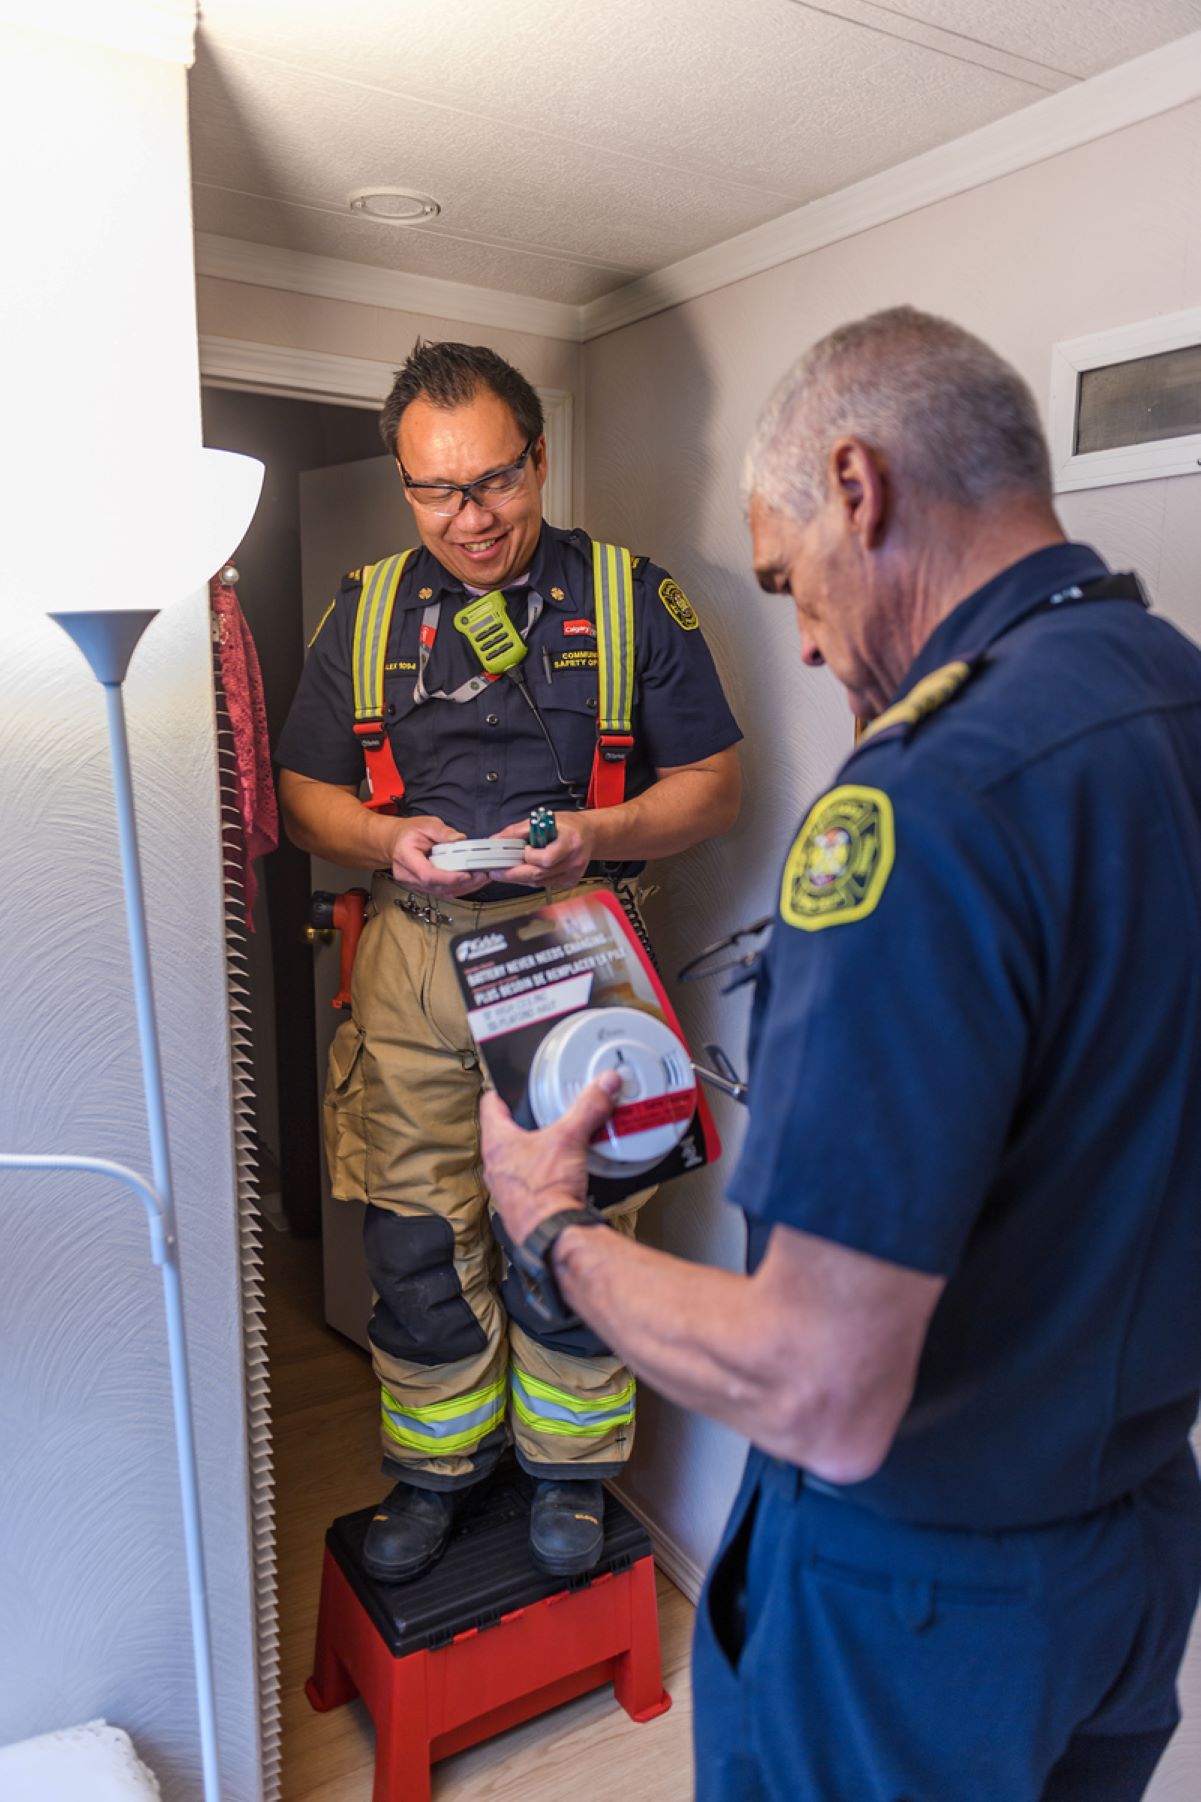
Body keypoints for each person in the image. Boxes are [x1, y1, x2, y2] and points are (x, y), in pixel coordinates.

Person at [481, 307, 1201, 1800]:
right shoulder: (1170, 698)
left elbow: (818, 1384)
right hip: (1136, 1546)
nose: (802, 636)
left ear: (856, 489)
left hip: (918, 1596)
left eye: (787, 577)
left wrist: (553, 1232)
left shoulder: (923, 810)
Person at [276, 340, 741, 1583]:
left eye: (493, 481)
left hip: (576, 951)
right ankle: (437, 1471)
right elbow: (301, 793)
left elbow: (712, 789)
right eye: (435, 490)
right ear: (402, 484)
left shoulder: (637, 599)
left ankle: (573, 1477)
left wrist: (599, 831)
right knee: (416, 1238)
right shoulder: (363, 611)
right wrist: (384, 840)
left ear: (540, 457)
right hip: (414, 963)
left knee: (574, 1224)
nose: (468, 518)